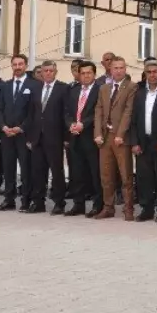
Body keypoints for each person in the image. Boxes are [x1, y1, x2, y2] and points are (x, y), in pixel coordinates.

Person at [0, 54, 41, 212]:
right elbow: (0, 108)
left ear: (26, 65)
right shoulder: (6, 86)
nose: (17, 67)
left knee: (25, 169)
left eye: (20, 64)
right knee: (8, 168)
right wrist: (3, 126)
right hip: (7, 134)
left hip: (25, 134)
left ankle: (26, 200)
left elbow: (34, 111)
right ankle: (9, 199)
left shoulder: (35, 85)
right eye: (14, 64)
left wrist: (22, 127)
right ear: (11, 66)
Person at [94, 56, 135, 220]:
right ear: (110, 70)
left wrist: (120, 134)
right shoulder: (104, 88)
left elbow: (128, 111)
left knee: (125, 175)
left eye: (121, 68)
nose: (118, 71)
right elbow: (98, 111)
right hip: (105, 137)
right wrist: (97, 133)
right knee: (106, 175)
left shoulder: (131, 87)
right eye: (115, 68)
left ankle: (128, 208)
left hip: (120, 138)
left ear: (125, 69)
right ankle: (108, 207)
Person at [132, 58, 157, 222]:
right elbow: (133, 119)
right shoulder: (139, 92)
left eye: (155, 72)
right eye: (149, 72)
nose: (152, 75)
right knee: (144, 177)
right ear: (145, 74)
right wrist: (134, 142)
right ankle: (146, 209)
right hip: (143, 141)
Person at [29, 60, 69, 216]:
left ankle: (59, 202)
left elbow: (66, 113)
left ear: (55, 72)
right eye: (44, 71)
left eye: (50, 71)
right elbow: (32, 113)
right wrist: (30, 136)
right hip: (37, 137)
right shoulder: (36, 88)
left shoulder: (63, 88)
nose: (47, 73)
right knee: (38, 171)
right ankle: (38, 202)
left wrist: (66, 137)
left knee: (56, 171)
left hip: (55, 137)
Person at [65, 60, 101, 217]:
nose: (86, 76)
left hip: (91, 137)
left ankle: (98, 205)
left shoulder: (101, 90)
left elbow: (99, 113)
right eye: (83, 73)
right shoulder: (73, 91)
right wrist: (71, 124)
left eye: (89, 73)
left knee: (95, 174)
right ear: (79, 75)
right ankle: (78, 204)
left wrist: (83, 124)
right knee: (77, 173)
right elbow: (66, 111)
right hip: (75, 137)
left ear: (94, 74)